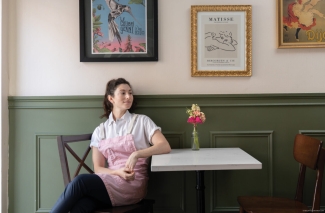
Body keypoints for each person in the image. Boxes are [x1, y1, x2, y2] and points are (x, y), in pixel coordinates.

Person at [50, 78, 171, 213]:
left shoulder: (142, 121)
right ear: (111, 98)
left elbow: (164, 145)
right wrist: (116, 172)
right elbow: (98, 168)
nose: (128, 97)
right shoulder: (100, 130)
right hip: (109, 181)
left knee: (80, 182)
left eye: (130, 93)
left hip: (133, 184)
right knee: (82, 206)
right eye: (123, 93)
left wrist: (137, 154)